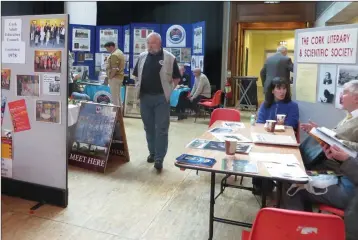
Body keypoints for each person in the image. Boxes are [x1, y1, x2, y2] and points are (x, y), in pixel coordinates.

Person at [283, 144, 358, 240]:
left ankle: (298, 233)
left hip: (351, 194)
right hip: (345, 180)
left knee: (293, 184)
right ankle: (304, 228)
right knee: (295, 177)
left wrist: (347, 160)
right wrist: (339, 158)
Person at [132, 32, 181, 171]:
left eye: (152, 43)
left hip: (161, 99)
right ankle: (152, 153)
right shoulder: (142, 57)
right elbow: (136, 75)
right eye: (148, 43)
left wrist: (169, 91)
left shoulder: (170, 58)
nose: (150, 46)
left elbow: (177, 78)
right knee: (148, 127)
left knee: (161, 129)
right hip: (145, 98)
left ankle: (159, 158)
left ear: (159, 43)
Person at [253, 77, 299, 195]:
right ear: (272, 90)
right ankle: (260, 184)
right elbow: (260, 122)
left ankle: (272, 185)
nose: (282, 91)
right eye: (279, 88)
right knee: (258, 152)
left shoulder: (292, 106)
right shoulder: (266, 104)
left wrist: (275, 127)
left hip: (284, 141)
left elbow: (291, 125)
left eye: (284, 88)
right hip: (266, 139)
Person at [299, 80, 358, 171]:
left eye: (344, 93)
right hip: (327, 159)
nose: (340, 96)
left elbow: (338, 138)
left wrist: (337, 142)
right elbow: (337, 134)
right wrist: (318, 131)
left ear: (356, 98)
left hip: (338, 168)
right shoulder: (349, 116)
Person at [104, 41, 125, 106]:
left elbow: (114, 68)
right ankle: (119, 114)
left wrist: (110, 77)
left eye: (107, 49)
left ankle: (116, 114)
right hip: (119, 77)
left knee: (114, 98)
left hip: (114, 78)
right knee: (118, 97)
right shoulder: (120, 52)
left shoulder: (114, 55)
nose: (107, 50)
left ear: (111, 47)